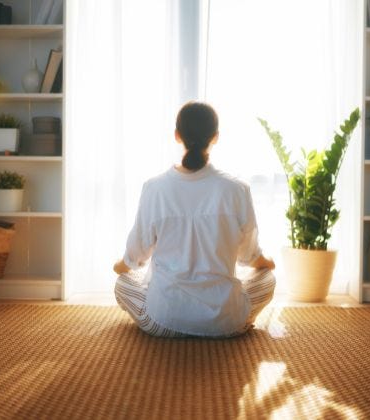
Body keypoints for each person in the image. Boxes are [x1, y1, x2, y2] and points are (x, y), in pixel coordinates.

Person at [113, 101, 275, 338]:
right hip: (226, 325)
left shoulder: (154, 188)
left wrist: (120, 267)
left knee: (122, 284)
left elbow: (135, 255)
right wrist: (266, 263)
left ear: (177, 136)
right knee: (267, 279)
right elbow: (249, 256)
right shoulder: (238, 189)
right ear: (216, 137)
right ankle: (231, 319)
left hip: (162, 322)